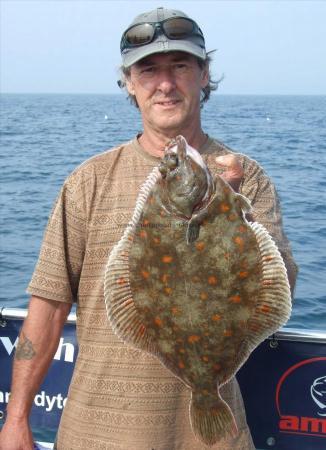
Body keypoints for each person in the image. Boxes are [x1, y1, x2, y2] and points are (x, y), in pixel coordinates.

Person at [0, 7, 298, 450]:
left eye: (179, 66)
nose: (164, 83)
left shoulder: (246, 177)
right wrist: (17, 417)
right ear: (129, 83)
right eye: (149, 70)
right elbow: (48, 306)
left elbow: (280, 286)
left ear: (203, 74)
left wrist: (238, 211)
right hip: (95, 434)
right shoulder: (88, 181)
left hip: (214, 438)